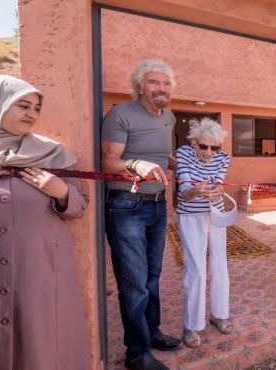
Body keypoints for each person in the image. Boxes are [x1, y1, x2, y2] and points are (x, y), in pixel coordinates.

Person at [0, 75, 90, 370]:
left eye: (36, 108)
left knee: (40, 347)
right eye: (23, 106)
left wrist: (61, 192)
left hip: (40, 274)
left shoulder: (51, 154)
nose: (32, 115)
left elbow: (80, 206)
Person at [101, 59, 181, 370]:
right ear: (139, 86)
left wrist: (191, 163)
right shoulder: (121, 114)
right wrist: (137, 164)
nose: (161, 89)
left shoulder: (169, 117)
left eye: (166, 84)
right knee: (133, 282)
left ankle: (152, 332)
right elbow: (108, 161)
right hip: (126, 206)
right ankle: (136, 353)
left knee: (152, 276)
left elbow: (162, 157)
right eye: (154, 83)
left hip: (158, 205)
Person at [175, 117, 231, 348]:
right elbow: (185, 190)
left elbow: (218, 185)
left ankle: (219, 314)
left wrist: (216, 193)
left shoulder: (223, 158)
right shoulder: (183, 154)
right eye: (203, 146)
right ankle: (191, 325)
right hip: (190, 215)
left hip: (215, 215)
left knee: (220, 265)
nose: (209, 152)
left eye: (214, 147)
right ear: (194, 142)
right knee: (196, 269)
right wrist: (196, 191)